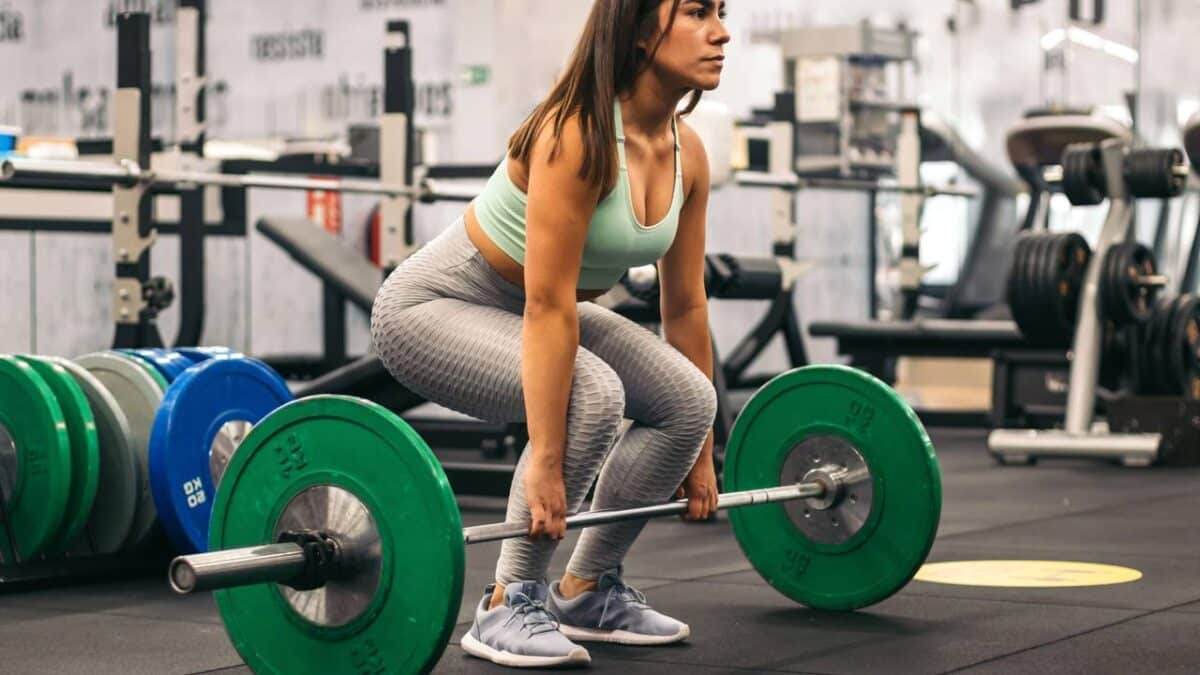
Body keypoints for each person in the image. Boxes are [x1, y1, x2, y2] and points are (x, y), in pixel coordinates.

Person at [370, 0, 729, 667]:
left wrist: (701, 449)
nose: (721, 31)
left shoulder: (690, 155)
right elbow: (546, 306)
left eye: (722, 11)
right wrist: (543, 458)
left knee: (689, 400)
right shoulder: (576, 136)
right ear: (643, 29)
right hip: (431, 306)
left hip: (538, 305)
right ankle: (509, 599)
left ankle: (587, 587)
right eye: (698, 13)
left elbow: (686, 306)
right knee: (589, 390)